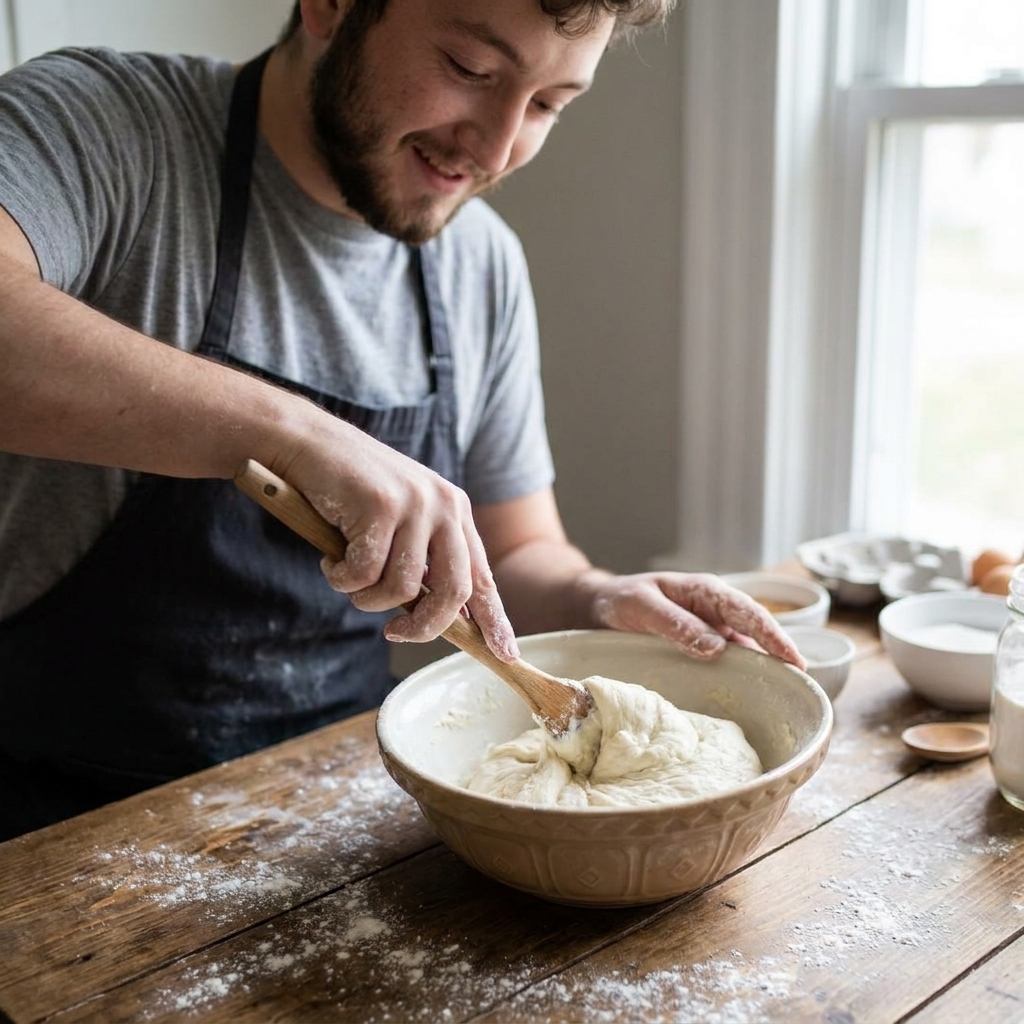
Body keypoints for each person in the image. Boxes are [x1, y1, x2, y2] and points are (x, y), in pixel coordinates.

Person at [0, 0, 802, 840]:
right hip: (53, 826)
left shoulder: (480, 264)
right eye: (470, 70)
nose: (494, 150)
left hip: (343, 818)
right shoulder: (104, 126)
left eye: (547, 105)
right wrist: (293, 433)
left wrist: (596, 596)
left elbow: (519, 553)